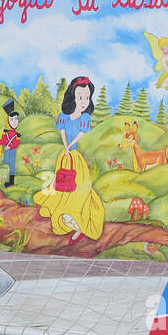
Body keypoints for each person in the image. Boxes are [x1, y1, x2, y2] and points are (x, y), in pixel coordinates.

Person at [34, 76, 104, 244]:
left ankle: (80, 223)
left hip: (75, 159)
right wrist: (65, 147)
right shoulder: (64, 117)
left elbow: (80, 134)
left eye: (87, 97)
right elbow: (63, 133)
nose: (84, 101)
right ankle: (66, 212)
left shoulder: (85, 118)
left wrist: (70, 146)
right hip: (64, 157)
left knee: (79, 187)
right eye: (80, 97)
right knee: (62, 184)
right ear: (72, 97)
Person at [0, 100, 20, 187]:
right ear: (8, 121)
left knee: (12, 165)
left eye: (16, 119)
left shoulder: (16, 135)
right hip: (6, 151)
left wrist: (9, 147)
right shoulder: (6, 132)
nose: (15, 122)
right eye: (12, 119)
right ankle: (3, 178)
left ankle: (11, 181)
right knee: (6, 163)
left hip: (11, 151)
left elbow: (16, 144)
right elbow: (3, 139)